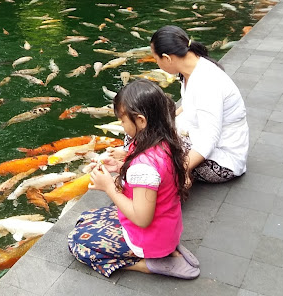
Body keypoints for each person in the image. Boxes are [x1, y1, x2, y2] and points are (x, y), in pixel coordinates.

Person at [68, 79, 199, 279]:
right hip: (166, 227)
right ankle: (169, 249)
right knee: (87, 217)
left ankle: (148, 263)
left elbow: (142, 219)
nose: (121, 125)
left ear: (140, 120)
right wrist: (121, 167)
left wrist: (110, 187)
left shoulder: (144, 166)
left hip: (149, 236)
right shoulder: (165, 143)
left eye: (122, 120)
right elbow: (157, 180)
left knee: (77, 241)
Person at [150, 25, 249, 184]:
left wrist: (181, 171)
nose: (156, 63)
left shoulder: (207, 82)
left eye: (156, 59)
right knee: (150, 129)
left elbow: (209, 140)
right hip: (201, 139)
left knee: (155, 154)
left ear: (167, 58)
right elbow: (190, 105)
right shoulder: (192, 69)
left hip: (223, 163)